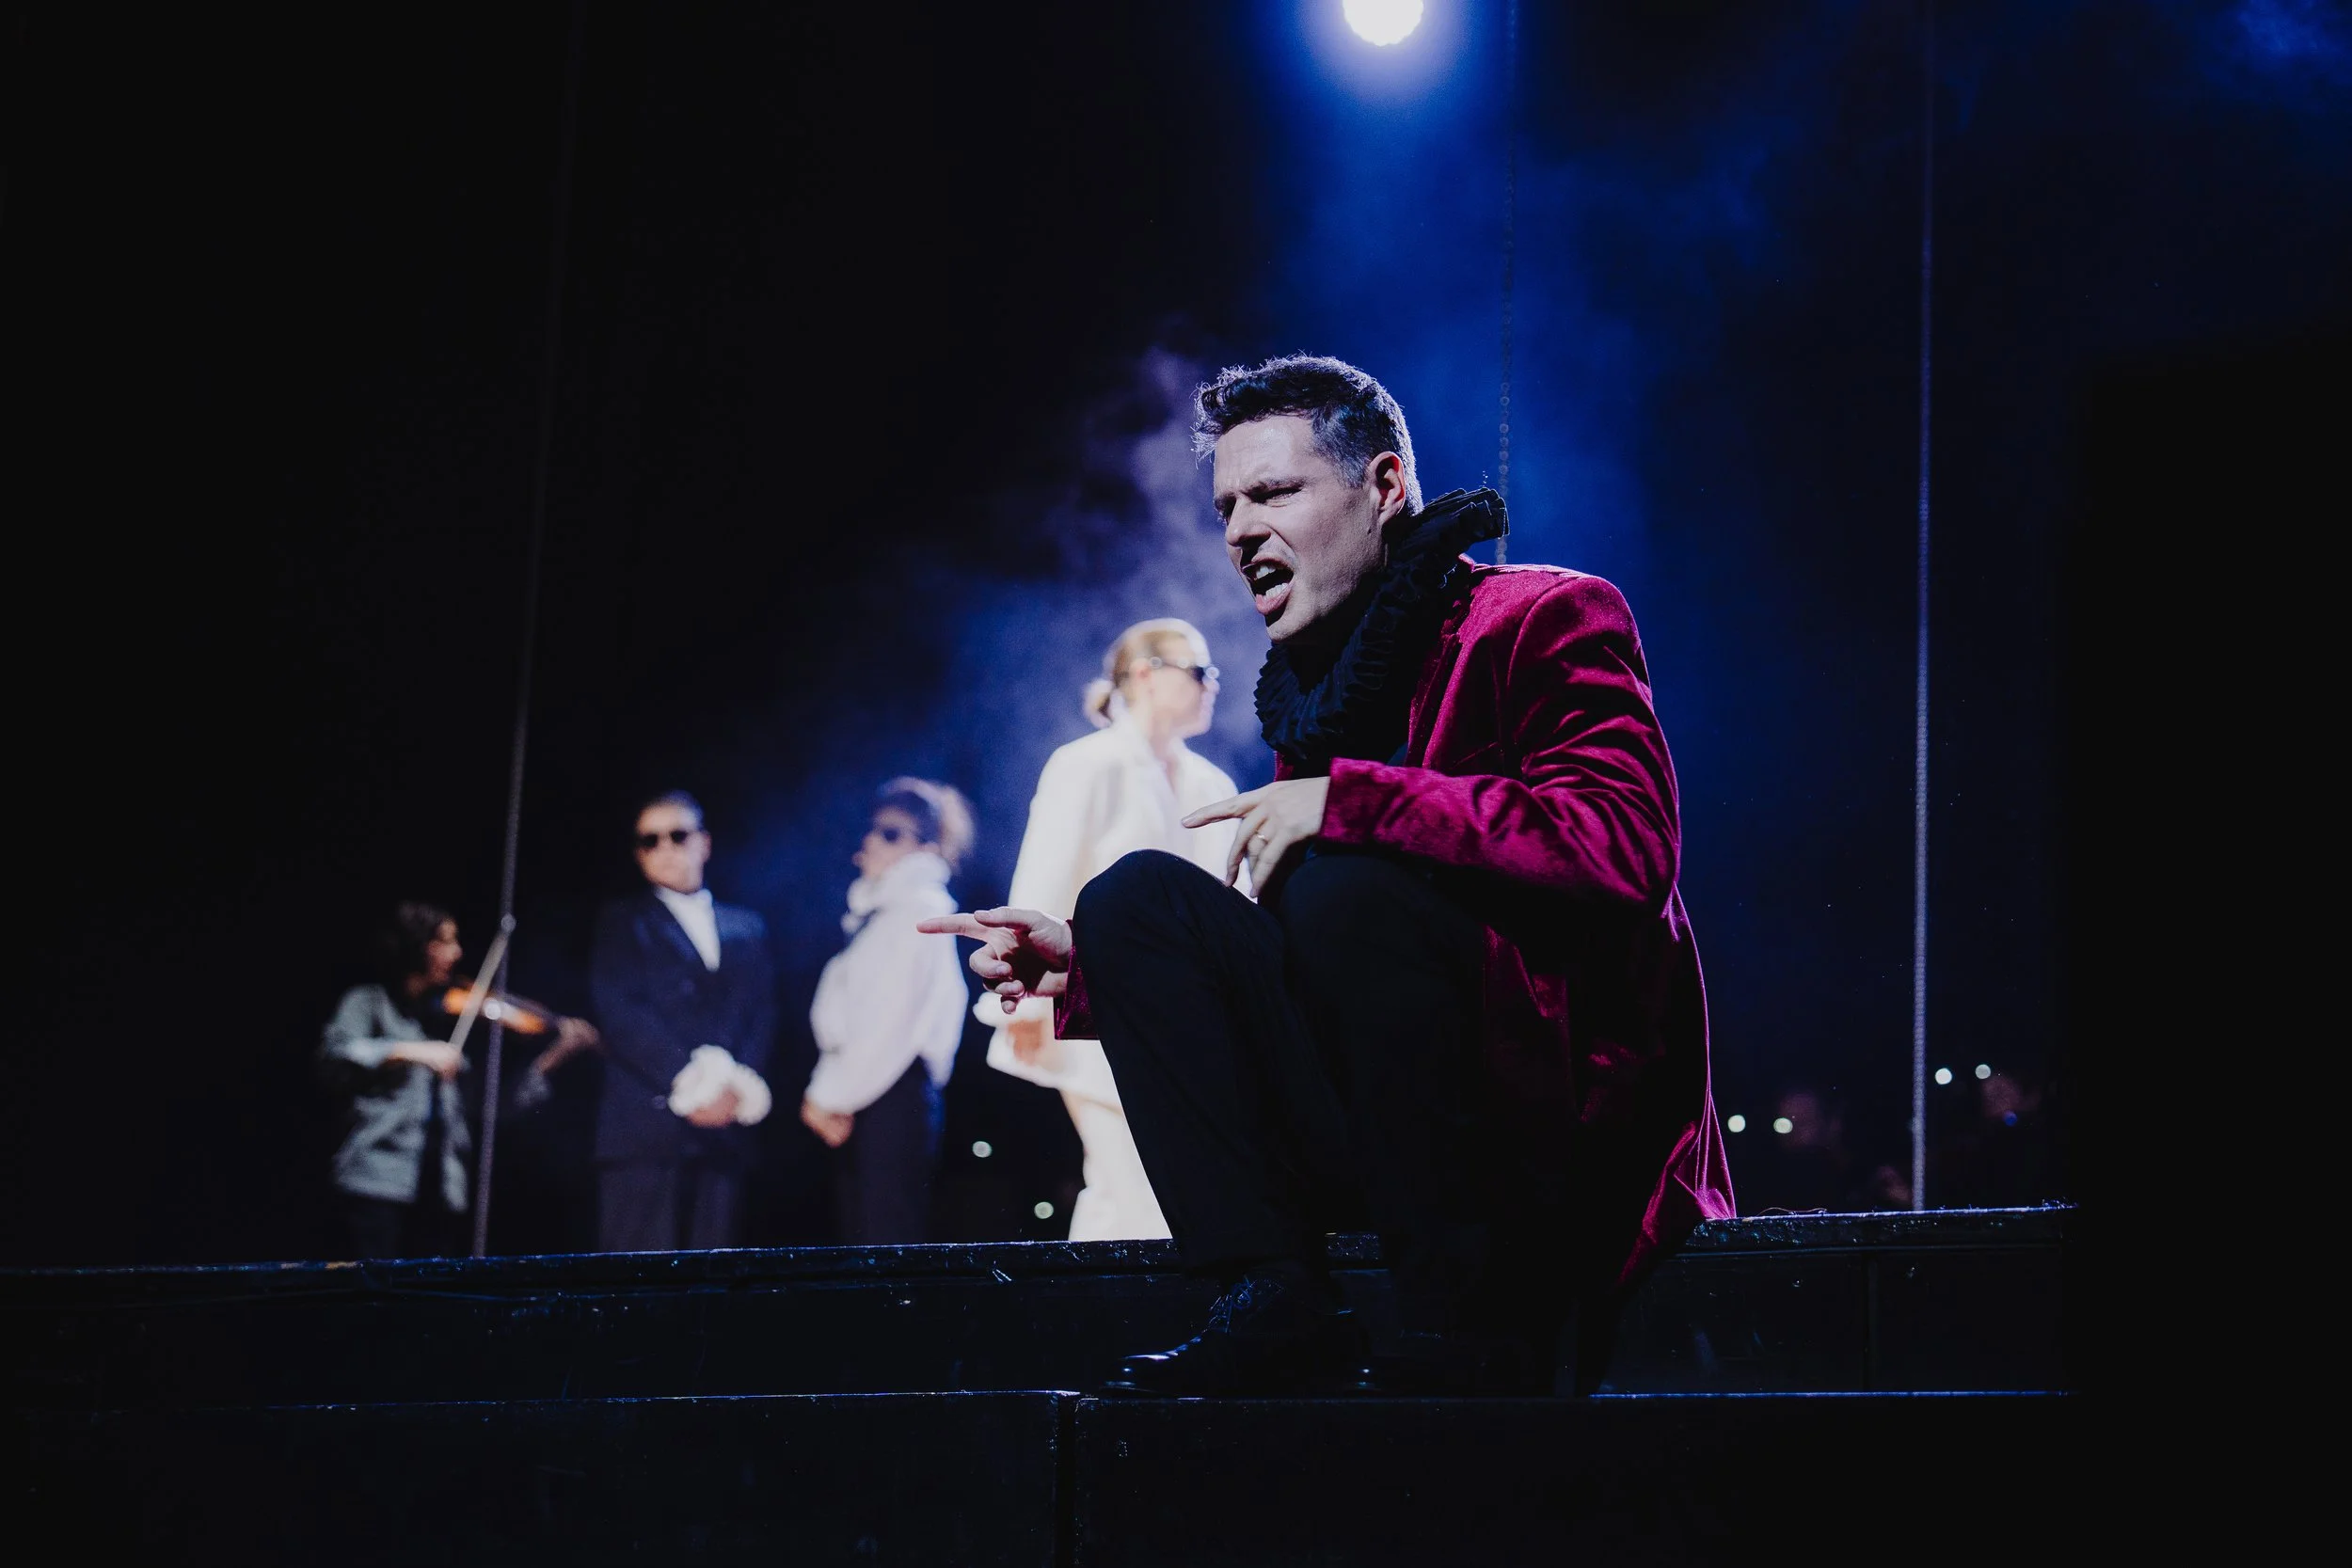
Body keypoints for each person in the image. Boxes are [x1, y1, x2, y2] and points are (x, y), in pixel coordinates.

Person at [924, 355, 1735, 1396]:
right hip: (1384, 1123)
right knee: (1134, 895)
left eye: (1273, 492)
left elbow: (1625, 843)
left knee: (1346, 883)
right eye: (1225, 506)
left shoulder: (1545, 614)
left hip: (1545, 1129)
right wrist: (1098, 964)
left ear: (1384, 486)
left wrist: (1354, 802)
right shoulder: (1322, 698)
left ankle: (1466, 1320)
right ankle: (1274, 1291)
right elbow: (1301, 964)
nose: (1239, 532)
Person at [984, 619, 1246, 1242]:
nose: (1213, 685)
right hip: (1096, 1010)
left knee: (1174, 1195)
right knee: (1132, 1189)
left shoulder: (1212, 784)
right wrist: (1018, 1000)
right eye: (1199, 671)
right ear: (1145, 674)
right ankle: (1107, 1325)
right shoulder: (1086, 764)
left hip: (1194, 1021)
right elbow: (1041, 883)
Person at [319, 902, 596, 1259]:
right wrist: (414, 1051)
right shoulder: (369, 1003)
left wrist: (552, 1059)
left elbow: (492, 1108)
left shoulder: (457, 1020)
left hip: (443, 1190)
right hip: (376, 1182)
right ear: (416, 946)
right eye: (445, 942)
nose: (458, 953)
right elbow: (338, 1053)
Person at [591, 791, 778, 1252]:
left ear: (704, 843)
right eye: (648, 841)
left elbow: (764, 1012)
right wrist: (694, 1083)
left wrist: (735, 1088)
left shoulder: (746, 925)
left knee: (714, 1276)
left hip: (725, 1130)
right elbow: (619, 1012)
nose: (665, 849)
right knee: (638, 1279)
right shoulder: (621, 922)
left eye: (677, 835)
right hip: (646, 1129)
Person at [803, 778, 975, 1243]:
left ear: (926, 848)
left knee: (886, 1246)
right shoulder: (883, 913)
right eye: (874, 830)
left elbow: (887, 1023)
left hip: (890, 1092)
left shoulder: (917, 911)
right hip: (869, 1091)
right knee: (866, 1248)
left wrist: (827, 1096)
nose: (873, 841)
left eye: (892, 833)